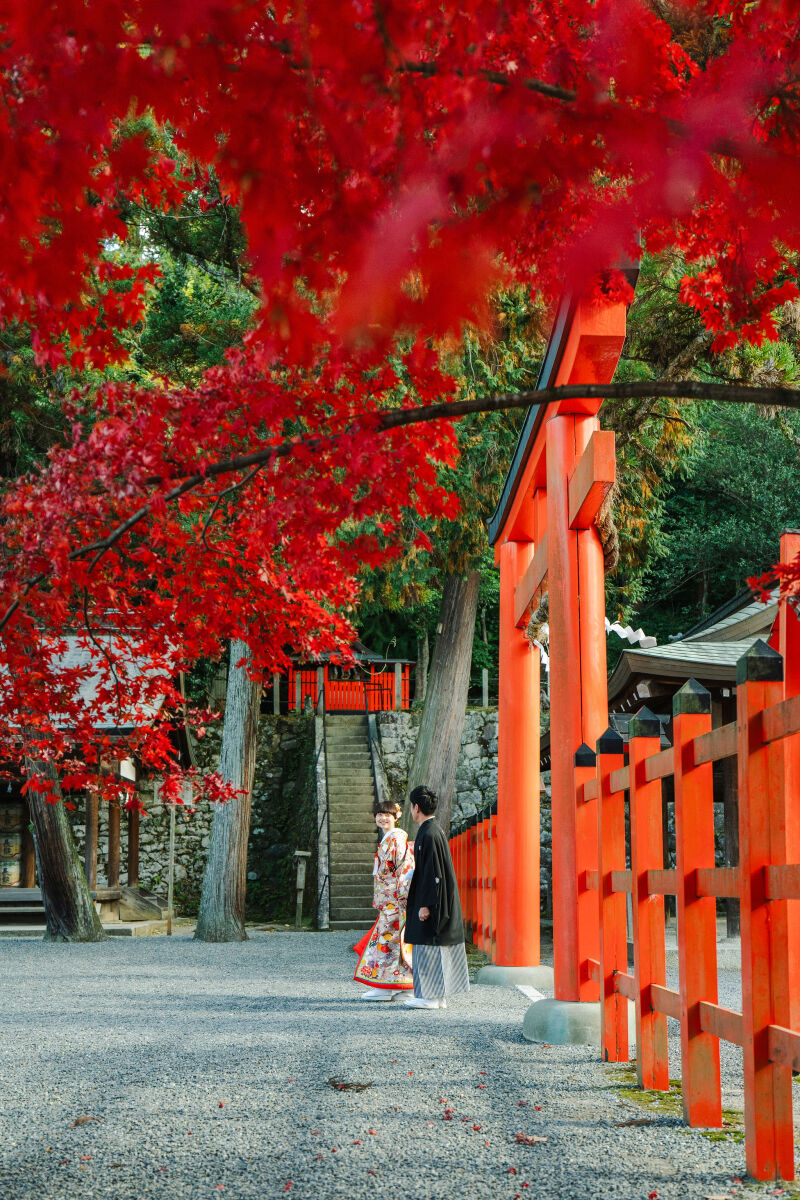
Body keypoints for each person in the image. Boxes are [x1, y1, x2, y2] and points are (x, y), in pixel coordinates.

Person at [403, 784, 470, 1010]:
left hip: (432, 900)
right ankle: (437, 997)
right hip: (438, 898)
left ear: (416, 807)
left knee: (428, 946)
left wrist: (425, 904)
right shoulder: (434, 830)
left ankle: (430, 997)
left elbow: (432, 873)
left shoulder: (428, 833)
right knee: (434, 947)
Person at [353, 800, 414, 1000]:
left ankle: (384, 987)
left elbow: (405, 870)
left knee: (388, 940)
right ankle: (403, 986)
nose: (382, 818)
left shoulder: (396, 839)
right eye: (379, 814)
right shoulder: (390, 839)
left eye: (387, 814)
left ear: (396, 816)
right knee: (395, 942)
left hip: (395, 899)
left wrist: (403, 896)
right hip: (391, 899)